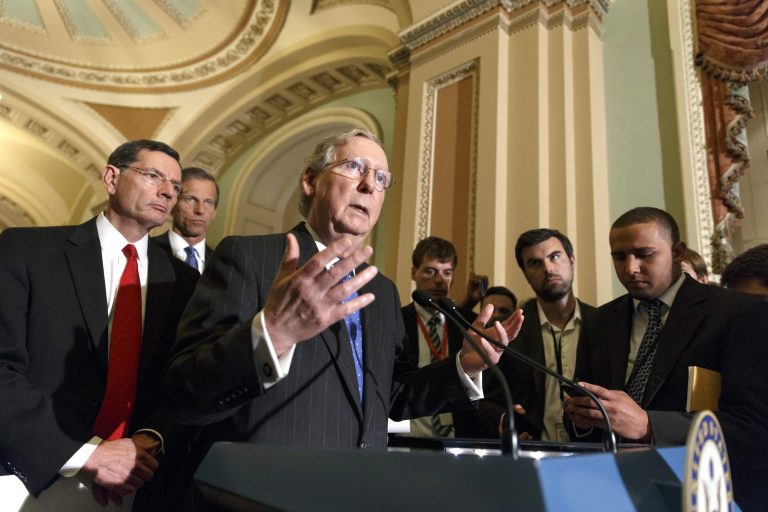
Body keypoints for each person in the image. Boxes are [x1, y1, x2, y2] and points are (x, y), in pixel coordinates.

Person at [162, 128, 523, 507]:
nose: (370, 185)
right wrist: (273, 334)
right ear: (310, 180)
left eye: (381, 178)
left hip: (358, 494)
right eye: (354, 167)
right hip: (261, 497)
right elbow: (183, 392)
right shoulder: (249, 258)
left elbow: (391, 396)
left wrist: (463, 367)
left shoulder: (382, 292)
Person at [0, 140, 199, 511]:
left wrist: (148, 441)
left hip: (134, 486)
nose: (168, 191)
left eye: (176, 185)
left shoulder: (184, 282)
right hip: (28, 477)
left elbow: (183, 383)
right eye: (153, 175)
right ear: (111, 177)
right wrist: (85, 454)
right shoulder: (28, 251)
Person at [563, 206, 768, 511]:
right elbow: (588, 414)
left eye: (644, 254)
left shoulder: (738, 313)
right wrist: (582, 418)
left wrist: (650, 425)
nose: (630, 268)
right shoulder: (600, 321)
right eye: (619, 257)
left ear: (677, 251)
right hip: (618, 490)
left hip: (704, 493)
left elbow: (753, 428)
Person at [483, 229, 594, 441]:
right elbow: (484, 398)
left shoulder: (602, 323)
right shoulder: (510, 331)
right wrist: (505, 420)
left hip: (595, 452)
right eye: (535, 263)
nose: (548, 268)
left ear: (571, 260)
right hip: (529, 453)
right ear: (525, 273)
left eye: (554, 257)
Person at [400, 236, 481, 438]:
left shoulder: (468, 324)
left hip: (460, 439)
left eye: (447, 273)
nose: (439, 280)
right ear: (413, 272)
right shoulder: (396, 320)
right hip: (408, 437)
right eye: (430, 271)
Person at [153, 167, 218, 273]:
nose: (200, 210)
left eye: (208, 202)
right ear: (172, 204)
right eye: (190, 200)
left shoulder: (222, 264)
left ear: (215, 212)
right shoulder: (147, 249)